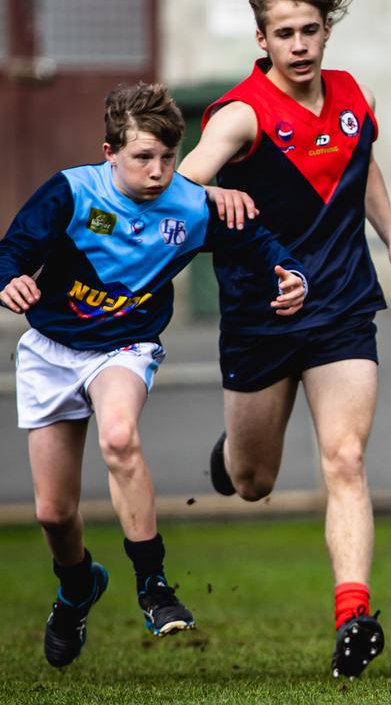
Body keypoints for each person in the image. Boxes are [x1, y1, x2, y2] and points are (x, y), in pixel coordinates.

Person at [0, 82, 306, 668]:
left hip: (125, 346)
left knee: (119, 434)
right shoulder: (70, 192)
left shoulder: (194, 205)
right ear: (110, 151)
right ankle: (76, 588)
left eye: (168, 157)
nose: (159, 171)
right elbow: (11, 251)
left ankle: (153, 585)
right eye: (143, 157)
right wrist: (10, 279)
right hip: (52, 348)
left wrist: (289, 273)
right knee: (52, 513)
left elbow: (258, 243)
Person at [177, 0, 391, 679]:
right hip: (260, 316)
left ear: (325, 30)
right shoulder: (239, 115)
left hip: (343, 304)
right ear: (262, 38)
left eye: (310, 29)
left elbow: (361, 162)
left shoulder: (355, 96)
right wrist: (212, 196)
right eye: (284, 33)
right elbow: (183, 187)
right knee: (255, 480)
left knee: (345, 459)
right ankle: (229, 457)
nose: (299, 45)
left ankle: (353, 615)